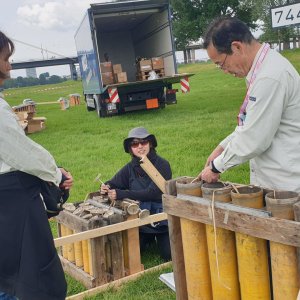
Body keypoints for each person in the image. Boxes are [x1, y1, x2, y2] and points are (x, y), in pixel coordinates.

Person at [0, 30, 73, 300]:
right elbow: (22, 153)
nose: (9, 65)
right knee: (31, 278)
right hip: (12, 206)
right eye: (6, 58)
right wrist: (55, 173)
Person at [199, 16, 300, 193]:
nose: (224, 71)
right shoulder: (262, 69)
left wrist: (216, 167)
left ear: (236, 47)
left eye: (221, 64)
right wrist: (221, 147)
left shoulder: (269, 77)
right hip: (277, 180)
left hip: (287, 185)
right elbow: (251, 124)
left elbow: (254, 139)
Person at [101, 127, 172, 261]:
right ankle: (148, 237)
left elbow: (152, 193)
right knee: (130, 253)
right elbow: (114, 182)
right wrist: (106, 186)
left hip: (162, 218)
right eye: (134, 144)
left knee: (168, 256)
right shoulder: (130, 167)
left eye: (143, 142)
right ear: (130, 148)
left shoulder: (163, 164)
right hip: (140, 221)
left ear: (150, 143)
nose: (140, 146)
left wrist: (121, 193)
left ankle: (159, 237)